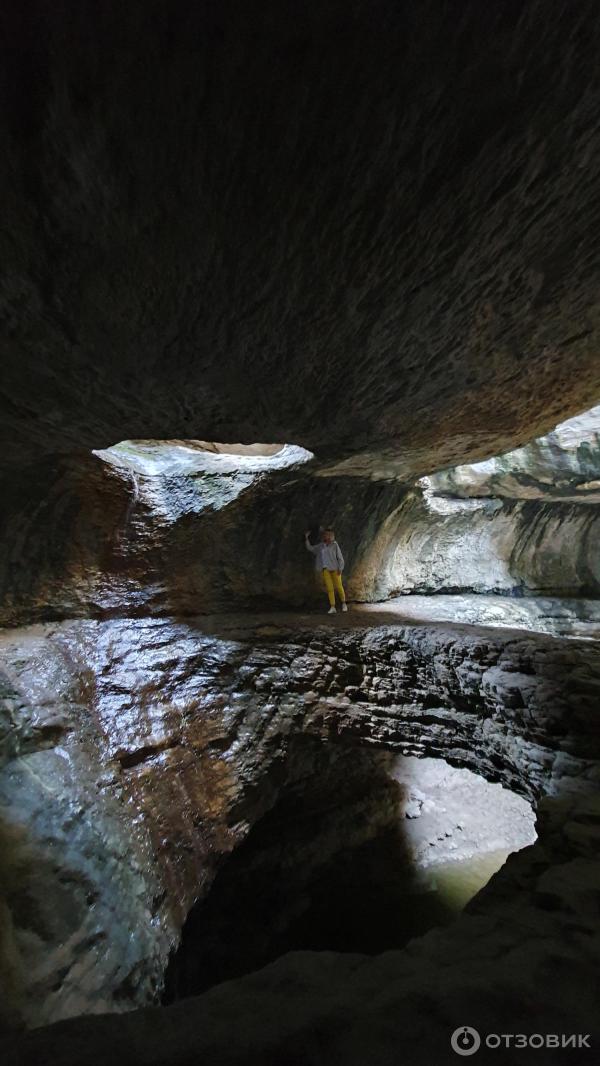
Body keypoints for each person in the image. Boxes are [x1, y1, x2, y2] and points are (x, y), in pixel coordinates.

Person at [304, 527, 348, 614]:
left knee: (339, 586)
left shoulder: (335, 545)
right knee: (330, 588)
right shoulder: (320, 546)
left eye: (329, 535)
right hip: (325, 569)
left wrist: (340, 568)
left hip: (335, 569)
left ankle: (344, 603)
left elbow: (340, 558)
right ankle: (332, 607)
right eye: (325, 535)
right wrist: (306, 538)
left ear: (332, 536)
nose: (326, 536)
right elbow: (310, 548)